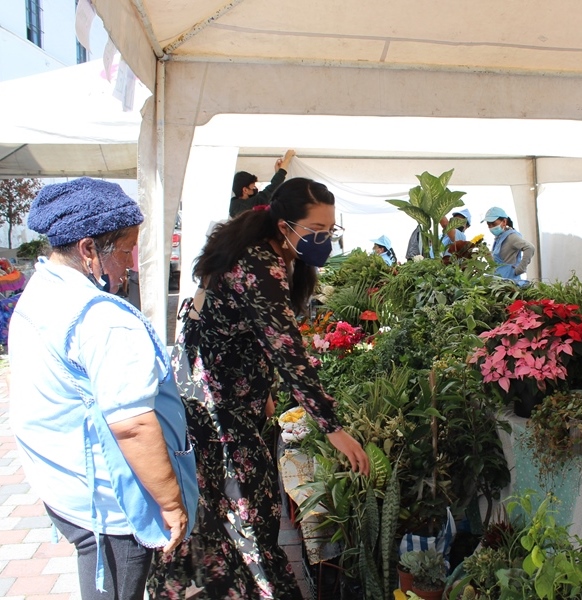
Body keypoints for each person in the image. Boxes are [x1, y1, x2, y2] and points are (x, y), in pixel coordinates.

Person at [148, 177, 369, 599]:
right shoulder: (258, 266)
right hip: (216, 410)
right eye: (317, 231)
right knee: (250, 512)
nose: (324, 240)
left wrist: (260, 387)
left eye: (331, 231)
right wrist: (333, 428)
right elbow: (290, 352)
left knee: (229, 508)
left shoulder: (257, 249)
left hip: (212, 394)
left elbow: (221, 325)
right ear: (284, 226)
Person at [8, 178, 198, 600]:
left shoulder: (41, 289)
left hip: (64, 488)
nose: (132, 262)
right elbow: (131, 426)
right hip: (110, 508)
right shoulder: (102, 319)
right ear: (89, 249)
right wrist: (169, 504)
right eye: (128, 248)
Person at [229, 149, 296, 218]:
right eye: (253, 187)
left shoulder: (233, 206)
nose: (255, 189)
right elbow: (273, 187)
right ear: (245, 190)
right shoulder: (249, 204)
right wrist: (288, 158)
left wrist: (277, 173)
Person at [482, 206, 535, 284]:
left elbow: (529, 247)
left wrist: (520, 269)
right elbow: (499, 262)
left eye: (493, 224)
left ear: (504, 221)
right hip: (498, 281)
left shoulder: (511, 237)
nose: (490, 227)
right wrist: (488, 256)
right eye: (488, 224)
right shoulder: (499, 238)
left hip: (509, 282)